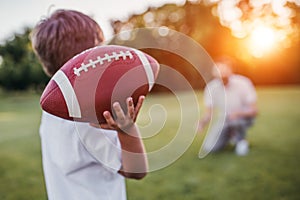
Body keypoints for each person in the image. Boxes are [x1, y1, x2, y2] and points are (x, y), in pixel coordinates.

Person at [30, 9, 148, 200]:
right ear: (91, 58)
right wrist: (127, 130)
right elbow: (136, 170)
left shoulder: (52, 109)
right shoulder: (88, 118)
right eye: (101, 47)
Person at [198, 57, 258, 155]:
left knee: (235, 120)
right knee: (210, 148)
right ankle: (230, 135)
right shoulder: (211, 88)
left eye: (225, 75)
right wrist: (202, 123)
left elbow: (254, 110)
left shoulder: (243, 83)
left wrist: (238, 113)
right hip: (225, 119)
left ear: (230, 72)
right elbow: (209, 114)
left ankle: (241, 141)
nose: (223, 78)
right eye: (219, 76)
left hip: (244, 117)